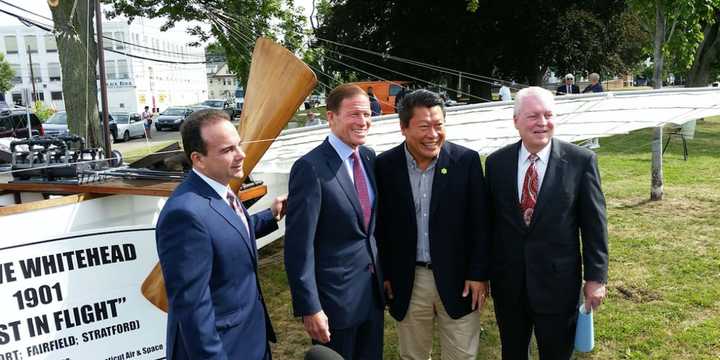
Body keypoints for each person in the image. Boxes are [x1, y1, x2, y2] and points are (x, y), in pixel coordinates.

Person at [484, 87, 608, 360]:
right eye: (532, 116)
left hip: (558, 285)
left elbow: (594, 225)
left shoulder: (580, 161)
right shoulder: (496, 164)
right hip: (509, 285)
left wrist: (596, 277)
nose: (542, 123)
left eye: (548, 115)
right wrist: (483, 274)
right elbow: (489, 225)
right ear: (516, 120)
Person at [156, 109, 287, 360]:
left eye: (238, 145)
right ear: (198, 159)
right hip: (224, 349)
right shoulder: (184, 215)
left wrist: (269, 217)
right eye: (228, 150)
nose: (242, 155)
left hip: (250, 338)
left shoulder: (219, 187)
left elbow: (225, 236)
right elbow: (193, 309)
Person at [375, 89, 490, 360]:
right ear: (403, 128)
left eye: (439, 125)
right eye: (424, 126)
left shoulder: (466, 161)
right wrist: (387, 274)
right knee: (413, 355)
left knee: (461, 355)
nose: (433, 134)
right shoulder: (385, 166)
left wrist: (478, 274)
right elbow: (381, 226)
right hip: (409, 279)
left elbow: (481, 223)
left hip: (460, 278)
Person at [285, 84, 384, 360]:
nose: (363, 121)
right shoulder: (310, 168)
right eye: (354, 114)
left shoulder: (368, 157)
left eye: (367, 114)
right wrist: (310, 307)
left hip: (371, 296)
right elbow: (298, 247)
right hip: (334, 304)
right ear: (331, 117)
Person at [582, 73, 603, 149]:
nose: (589, 78)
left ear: (594, 79)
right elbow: (583, 94)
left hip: (595, 109)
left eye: (590, 77)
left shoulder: (599, 87)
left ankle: (596, 143)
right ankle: (589, 142)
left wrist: (590, 94)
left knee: (595, 125)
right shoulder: (589, 86)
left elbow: (599, 96)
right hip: (587, 109)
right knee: (587, 125)